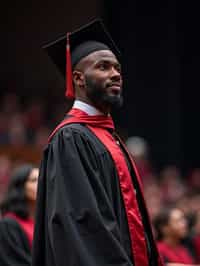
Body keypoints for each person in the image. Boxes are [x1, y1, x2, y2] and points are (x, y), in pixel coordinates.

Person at [32, 19, 163, 266]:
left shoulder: (107, 137)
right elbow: (85, 227)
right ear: (79, 79)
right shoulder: (71, 139)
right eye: (103, 67)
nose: (115, 74)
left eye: (117, 68)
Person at [0, 164, 39, 266]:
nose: (40, 183)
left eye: (42, 178)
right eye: (34, 180)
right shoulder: (8, 225)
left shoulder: (42, 222)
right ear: (20, 187)